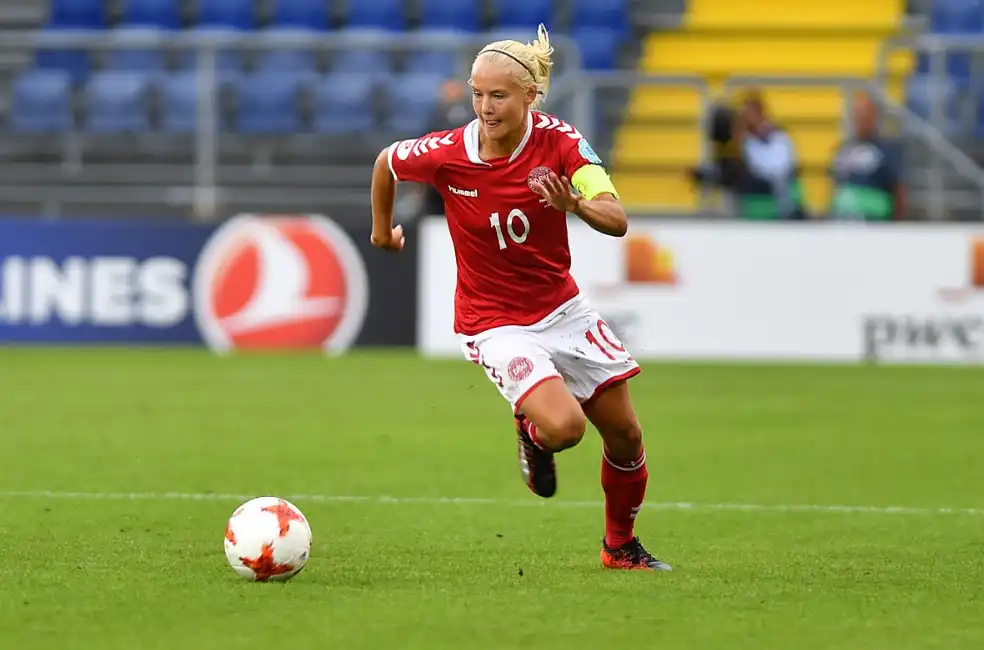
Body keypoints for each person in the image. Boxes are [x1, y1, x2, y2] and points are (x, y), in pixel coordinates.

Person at [369, 24, 671, 572]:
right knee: (565, 429)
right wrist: (382, 231)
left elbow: (617, 218)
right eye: (477, 94)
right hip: (493, 322)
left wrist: (574, 205)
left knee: (626, 435)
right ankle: (532, 430)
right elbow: (387, 163)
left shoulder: (561, 142)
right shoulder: (447, 153)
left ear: (530, 96)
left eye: (499, 95)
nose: (485, 107)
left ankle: (619, 548)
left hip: (562, 309)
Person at [829, 91, 907, 221]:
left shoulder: (886, 151)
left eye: (864, 112)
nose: (860, 118)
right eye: (857, 113)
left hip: (874, 225)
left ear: (874, 116)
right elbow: (835, 187)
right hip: (843, 223)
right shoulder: (843, 150)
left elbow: (898, 191)